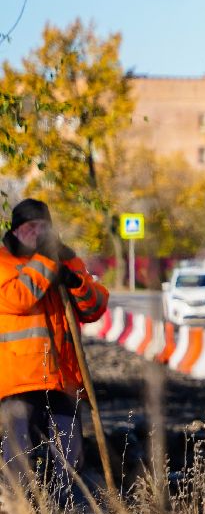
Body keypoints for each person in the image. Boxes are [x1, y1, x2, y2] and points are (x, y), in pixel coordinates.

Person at [0, 199, 109, 484]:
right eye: (31, 227)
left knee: (71, 458)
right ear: (15, 231)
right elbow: (18, 299)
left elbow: (95, 308)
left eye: (43, 226)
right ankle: (19, 512)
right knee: (19, 457)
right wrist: (47, 260)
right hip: (20, 380)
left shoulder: (68, 259)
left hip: (64, 378)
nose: (38, 233)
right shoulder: (4, 262)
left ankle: (66, 509)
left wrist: (76, 283)